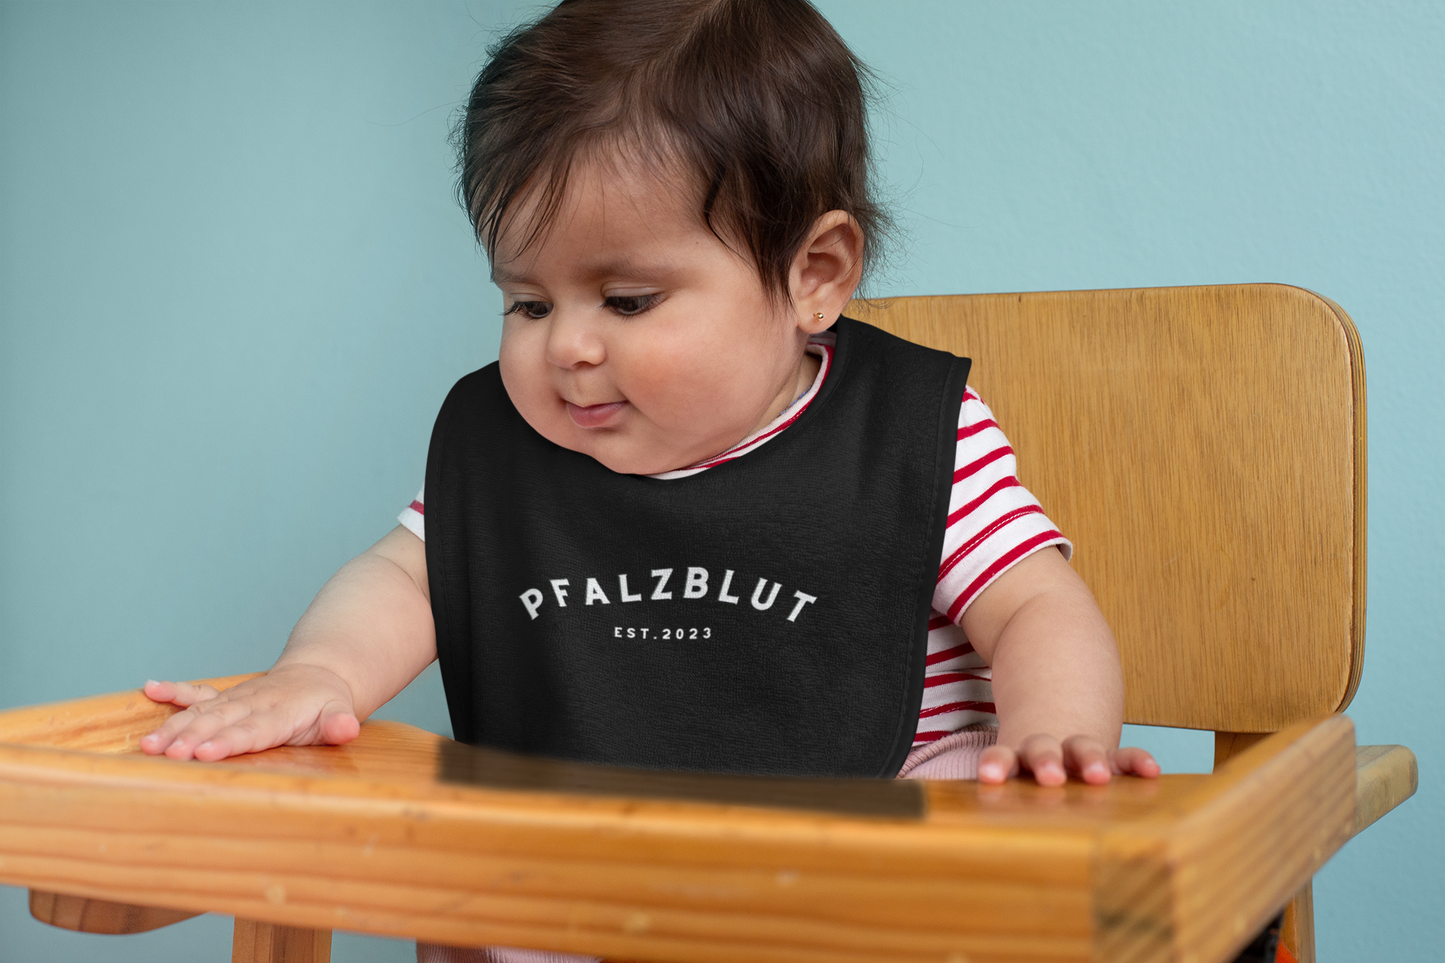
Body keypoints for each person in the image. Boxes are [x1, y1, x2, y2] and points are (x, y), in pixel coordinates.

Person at [142, 1, 1159, 956]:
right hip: (602, 869)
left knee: (989, 866)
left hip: (875, 850)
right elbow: (407, 579)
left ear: (814, 276)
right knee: (482, 882)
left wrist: (1052, 740)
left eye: (626, 300)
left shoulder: (909, 436)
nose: (567, 348)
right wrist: (318, 673)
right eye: (527, 303)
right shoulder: (505, 443)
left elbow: (1034, 607)